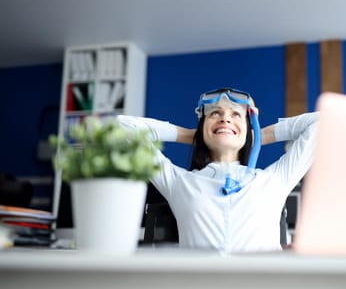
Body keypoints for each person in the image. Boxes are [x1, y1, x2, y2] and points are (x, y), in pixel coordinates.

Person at [118, 87, 318, 252]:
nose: (225, 118)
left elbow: (323, 123)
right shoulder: (179, 182)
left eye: (235, 114)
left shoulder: (274, 180)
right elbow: (123, 128)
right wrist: (193, 136)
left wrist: (258, 136)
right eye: (215, 113)